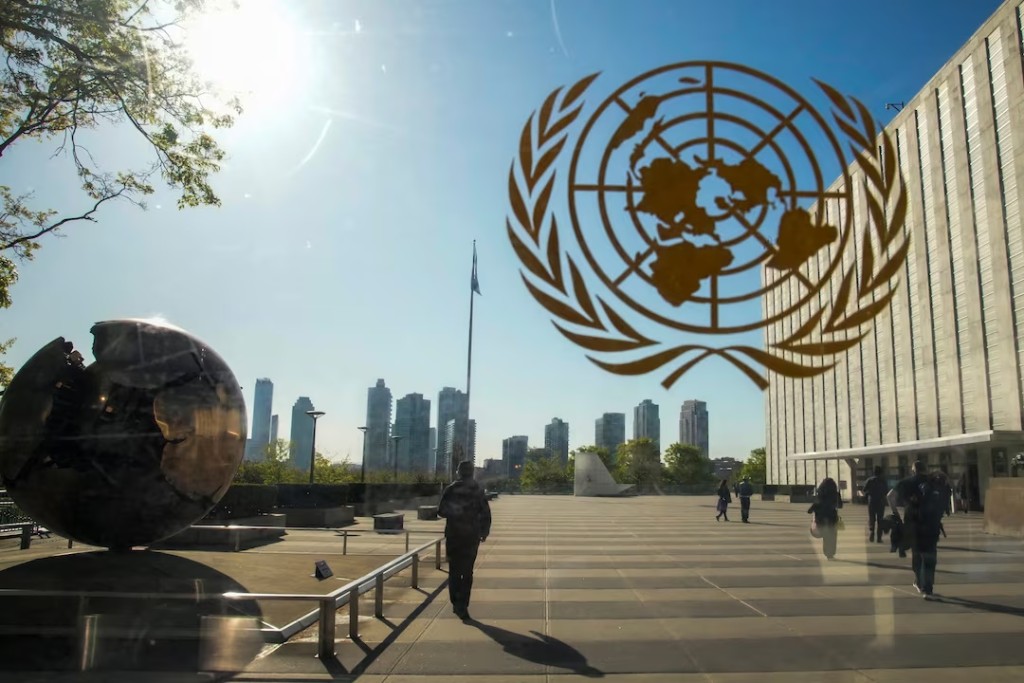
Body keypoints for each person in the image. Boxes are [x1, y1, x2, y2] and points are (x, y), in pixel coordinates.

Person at [438, 460, 492, 620]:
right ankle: (463, 604)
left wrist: (455, 513)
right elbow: (486, 513)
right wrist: (484, 531)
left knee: (454, 570)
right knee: (467, 571)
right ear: (472, 473)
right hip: (471, 535)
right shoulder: (477, 490)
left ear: (458, 472)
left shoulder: (451, 489)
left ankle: (456, 602)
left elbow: (441, 511)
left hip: (454, 535)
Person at [887, 461, 945, 598]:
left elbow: (890, 496)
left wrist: (896, 514)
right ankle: (928, 588)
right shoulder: (933, 481)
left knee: (917, 553)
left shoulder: (907, 482)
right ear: (925, 469)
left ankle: (919, 581)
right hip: (931, 523)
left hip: (912, 523)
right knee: (930, 555)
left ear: (913, 470)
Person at [808, 477, 843, 559]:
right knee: (833, 536)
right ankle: (831, 553)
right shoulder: (836, 494)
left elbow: (816, 504)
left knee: (825, 536)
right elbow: (840, 505)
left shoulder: (821, 493)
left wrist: (810, 510)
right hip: (832, 517)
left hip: (821, 517)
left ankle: (827, 552)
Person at [863, 465, 888, 543]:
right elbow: (886, 491)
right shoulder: (883, 480)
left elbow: (864, 489)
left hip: (871, 501)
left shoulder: (869, 480)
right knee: (880, 520)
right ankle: (879, 538)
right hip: (881, 502)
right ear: (881, 472)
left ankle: (872, 532)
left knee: (872, 518)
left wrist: (869, 493)